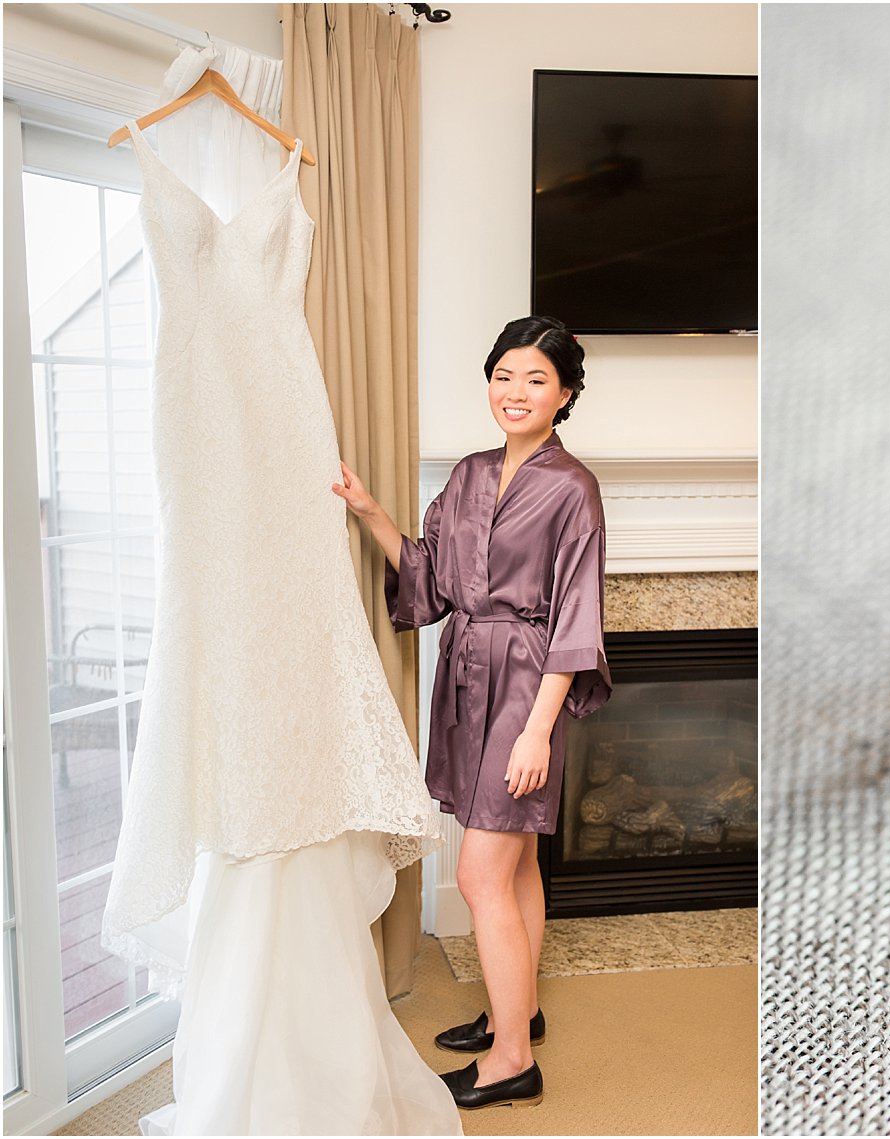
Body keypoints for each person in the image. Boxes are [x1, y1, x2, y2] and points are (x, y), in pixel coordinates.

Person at [333, 314, 612, 1110]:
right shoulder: (466, 474)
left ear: (564, 395)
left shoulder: (572, 488)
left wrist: (536, 728)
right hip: (468, 672)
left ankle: (511, 1061)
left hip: (529, 685)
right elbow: (429, 578)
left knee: (477, 870)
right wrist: (370, 511)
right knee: (516, 862)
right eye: (504, 375)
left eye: (535, 379)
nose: (515, 391)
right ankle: (515, 1009)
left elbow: (576, 619)